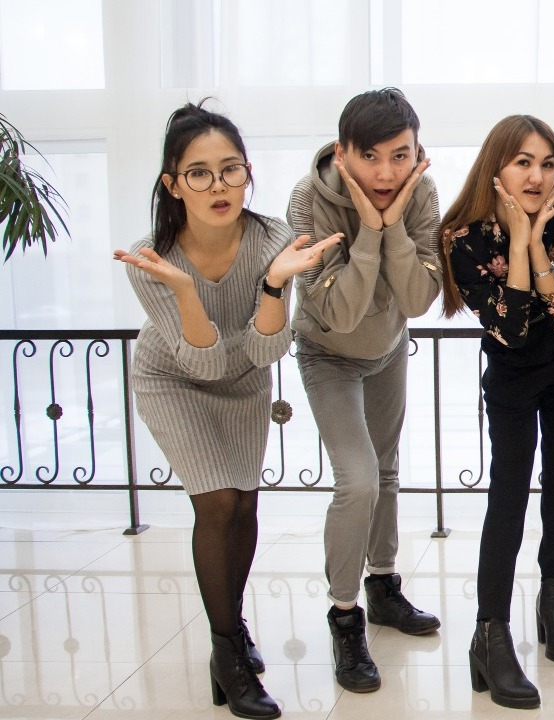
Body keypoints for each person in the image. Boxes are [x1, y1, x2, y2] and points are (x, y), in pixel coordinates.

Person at [115, 102, 339, 720]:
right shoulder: (151, 259)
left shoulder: (272, 241)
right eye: (199, 173)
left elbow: (266, 350)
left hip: (245, 378)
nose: (219, 186)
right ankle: (226, 654)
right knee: (216, 502)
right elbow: (202, 363)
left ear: (248, 173)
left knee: (243, 502)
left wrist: (273, 285)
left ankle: (232, 626)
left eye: (231, 169)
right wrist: (186, 290)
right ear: (172, 184)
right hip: (172, 378)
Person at [285, 87, 444, 693]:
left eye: (400, 156)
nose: (385, 173)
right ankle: (345, 616)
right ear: (342, 152)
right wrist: (373, 231)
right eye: (370, 157)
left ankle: (383, 586)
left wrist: (392, 221)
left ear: (416, 152)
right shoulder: (308, 200)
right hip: (328, 349)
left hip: (389, 346)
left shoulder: (421, 191)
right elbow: (340, 312)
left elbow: (418, 299)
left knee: (386, 468)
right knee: (358, 480)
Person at [438, 115, 554, 710]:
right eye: (523, 162)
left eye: (548, 163)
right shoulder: (462, 236)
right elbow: (512, 327)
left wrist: (532, 242)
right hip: (512, 372)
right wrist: (521, 241)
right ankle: (490, 633)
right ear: (496, 167)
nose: (537, 176)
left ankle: (553, 599)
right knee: (508, 493)